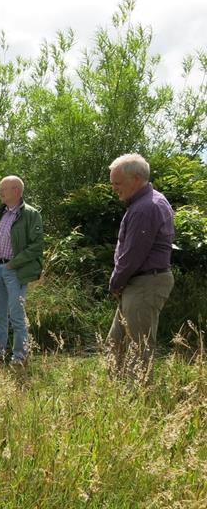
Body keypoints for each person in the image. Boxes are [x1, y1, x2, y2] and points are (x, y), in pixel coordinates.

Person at [107, 153, 174, 380]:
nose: (114, 188)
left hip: (144, 283)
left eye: (117, 183)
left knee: (138, 349)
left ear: (135, 179)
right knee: (116, 344)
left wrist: (115, 283)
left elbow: (132, 255)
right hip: (139, 282)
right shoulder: (148, 202)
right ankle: (116, 395)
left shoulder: (145, 208)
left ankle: (139, 400)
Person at [0, 175, 44, 366]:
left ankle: (20, 357)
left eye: (4, 188)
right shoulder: (2, 212)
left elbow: (36, 246)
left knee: (16, 315)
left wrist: (12, 264)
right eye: (0, 188)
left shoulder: (30, 214)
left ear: (17, 191)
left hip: (14, 270)